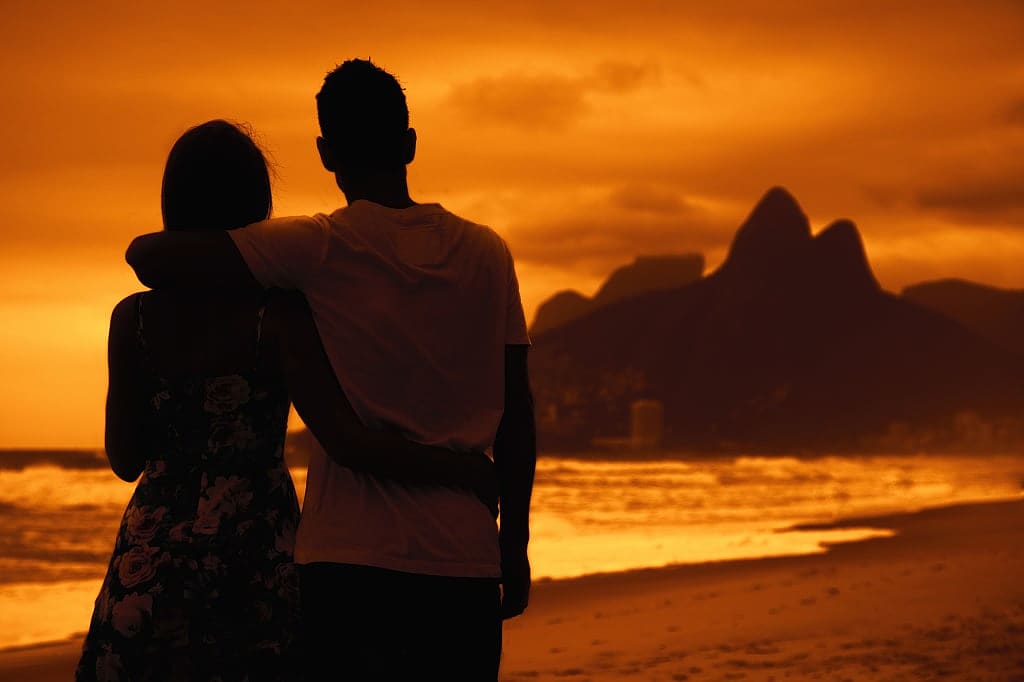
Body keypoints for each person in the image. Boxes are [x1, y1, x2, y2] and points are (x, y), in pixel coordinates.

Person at [126, 59, 537, 680]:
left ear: (325, 154)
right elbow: (518, 411)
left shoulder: (315, 248)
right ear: (410, 144)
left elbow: (148, 256)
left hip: (349, 562)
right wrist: (515, 544)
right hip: (464, 558)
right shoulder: (487, 253)